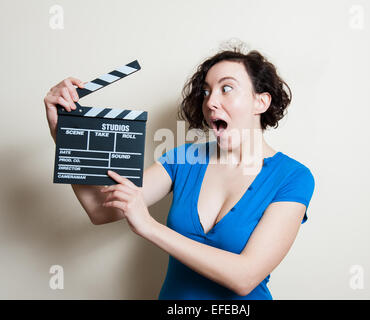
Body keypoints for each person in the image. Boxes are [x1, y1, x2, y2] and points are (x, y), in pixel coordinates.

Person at [43, 45, 315, 300]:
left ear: (261, 102)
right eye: (206, 92)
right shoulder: (184, 158)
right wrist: (66, 136)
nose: (210, 103)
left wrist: (149, 226)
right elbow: (100, 209)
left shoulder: (293, 177)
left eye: (227, 88)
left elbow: (245, 277)